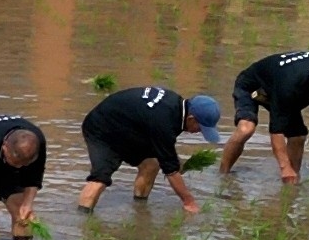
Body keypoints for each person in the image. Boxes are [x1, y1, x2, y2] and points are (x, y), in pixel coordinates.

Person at [76, 86, 217, 214]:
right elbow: (171, 171)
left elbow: (163, 148)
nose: (198, 132)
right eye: (200, 128)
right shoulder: (165, 121)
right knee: (100, 179)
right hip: (101, 128)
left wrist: (173, 162)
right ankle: (83, 223)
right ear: (191, 118)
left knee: (151, 165)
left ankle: (140, 210)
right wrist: (189, 201)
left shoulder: (175, 107)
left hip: (128, 127)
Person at [220, 50, 309, 182]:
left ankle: (291, 182)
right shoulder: (290, 83)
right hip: (251, 87)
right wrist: (284, 167)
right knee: (246, 129)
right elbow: (276, 131)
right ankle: (223, 175)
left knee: (298, 137)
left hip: (278, 89)